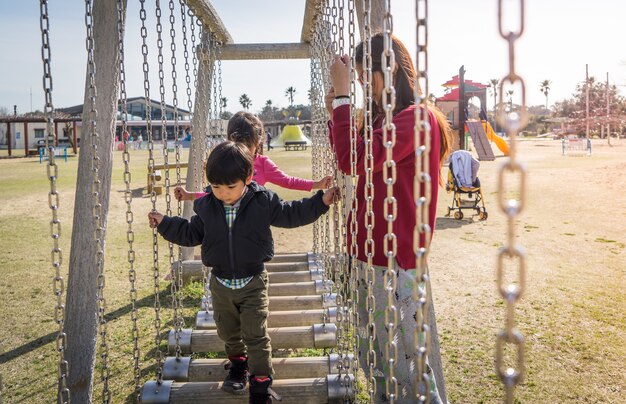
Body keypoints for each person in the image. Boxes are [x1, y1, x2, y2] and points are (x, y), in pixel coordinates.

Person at [148, 141, 339, 403]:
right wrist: (165, 223)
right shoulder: (207, 206)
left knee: (255, 334)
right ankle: (238, 366)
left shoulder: (262, 202)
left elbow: (291, 214)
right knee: (227, 332)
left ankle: (261, 383)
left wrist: (321, 201)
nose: (223, 193)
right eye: (216, 187)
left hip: (252, 282)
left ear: (248, 179)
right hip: (220, 284)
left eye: (230, 187)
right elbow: (191, 233)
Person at [326, 33, 452, 403]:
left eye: (367, 74)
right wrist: (340, 105)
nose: (363, 83)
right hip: (367, 259)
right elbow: (347, 156)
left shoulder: (418, 118)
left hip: (396, 265)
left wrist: (345, 100)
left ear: (390, 67)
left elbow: (354, 162)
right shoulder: (383, 120)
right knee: (377, 362)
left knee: (408, 368)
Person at [175, 111, 332, 201]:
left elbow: (288, 181)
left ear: (258, 142)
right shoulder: (226, 160)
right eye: (238, 143)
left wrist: (317, 184)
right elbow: (213, 195)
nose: (242, 150)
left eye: (247, 145)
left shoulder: (263, 164)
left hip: (253, 227)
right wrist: (190, 195)